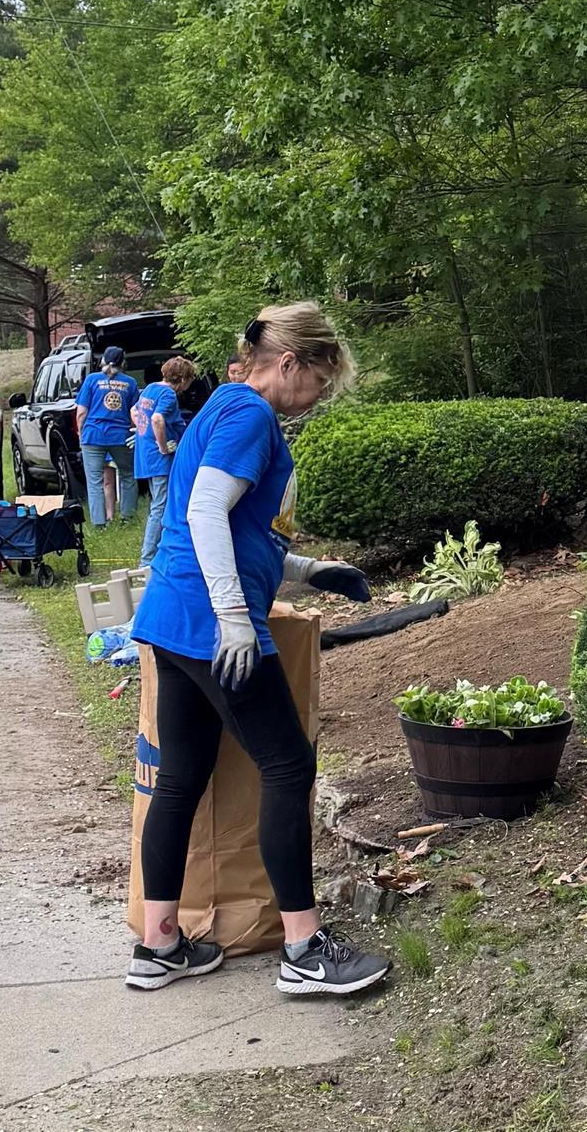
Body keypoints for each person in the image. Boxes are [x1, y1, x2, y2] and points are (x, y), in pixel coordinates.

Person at [125, 303, 391, 997]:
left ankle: (159, 945)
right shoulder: (250, 416)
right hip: (211, 626)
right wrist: (235, 619)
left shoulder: (221, 407)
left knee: (182, 779)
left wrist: (305, 570)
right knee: (288, 762)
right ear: (291, 363)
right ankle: (303, 951)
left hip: (172, 618)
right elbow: (205, 510)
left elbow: (239, 526)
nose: (319, 399)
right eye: (321, 382)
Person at [132, 356, 197, 567]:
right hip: (158, 459)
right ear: (183, 379)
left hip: (145, 454)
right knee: (159, 507)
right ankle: (147, 560)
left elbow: (135, 411)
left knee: (159, 504)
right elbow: (157, 419)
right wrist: (162, 446)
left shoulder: (151, 388)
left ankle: (164, 552)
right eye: (190, 380)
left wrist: (142, 431)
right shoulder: (169, 394)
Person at [75, 345, 139, 525]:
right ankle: (128, 518)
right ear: (122, 362)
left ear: (102, 359)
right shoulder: (130, 383)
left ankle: (99, 523)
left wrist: (82, 434)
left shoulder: (91, 380)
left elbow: (81, 412)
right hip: (120, 436)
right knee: (128, 475)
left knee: (94, 481)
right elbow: (134, 413)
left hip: (93, 435)